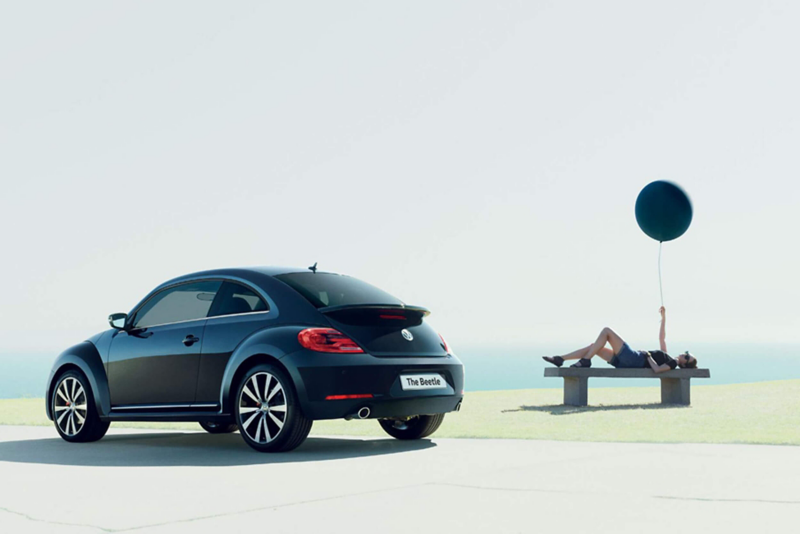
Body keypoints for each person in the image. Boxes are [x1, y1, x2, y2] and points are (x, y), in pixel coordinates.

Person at [542, 307, 698, 372]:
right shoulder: (668, 357)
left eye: (687, 356)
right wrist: (664, 317)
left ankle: (584, 361)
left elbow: (657, 370)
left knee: (606, 331)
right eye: (687, 353)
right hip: (627, 362)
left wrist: (648, 356)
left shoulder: (672, 363)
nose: (684, 354)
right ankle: (560, 359)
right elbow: (662, 338)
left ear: (685, 363)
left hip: (635, 359)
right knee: (593, 347)